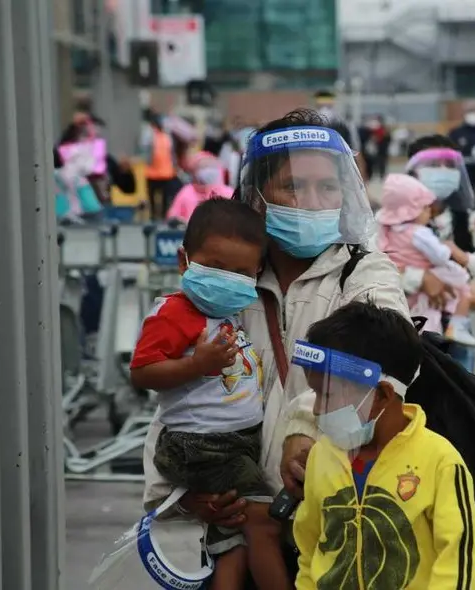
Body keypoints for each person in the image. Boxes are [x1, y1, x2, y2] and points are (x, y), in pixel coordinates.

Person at [140, 108, 410, 587]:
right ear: (258, 196)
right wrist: (182, 494)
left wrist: (305, 427)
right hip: (238, 530)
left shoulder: (365, 275)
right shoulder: (222, 287)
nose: (311, 201)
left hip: (337, 527)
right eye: (292, 186)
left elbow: (379, 365)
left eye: (327, 187)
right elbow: (175, 401)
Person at [130, 199, 290, 590]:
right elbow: (142, 372)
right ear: (185, 261)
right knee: (262, 518)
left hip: (232, 442)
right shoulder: (173, 313)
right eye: (216, 267)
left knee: (230, 539)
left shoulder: (226, 314)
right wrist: (196, 365)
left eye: (240, 272)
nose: (228, 279)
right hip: (204, 447)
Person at [292, 301, 475, 590]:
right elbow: (309, 546)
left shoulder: (440, 462)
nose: (317, 409)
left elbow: (457, 559)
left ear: (381, 394)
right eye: (314, 393)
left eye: (327, 395)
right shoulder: (322, 455)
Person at [394, 134, 475, 372]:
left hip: (455, 338)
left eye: (449, 166)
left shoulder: (468, 222)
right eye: (434, 165)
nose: (443, 172)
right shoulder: (391, 221)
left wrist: (465, 258)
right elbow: (364, 270)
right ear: (412, 172)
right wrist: (419, 279)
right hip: (400, 334)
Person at [377, 173, 475, 346]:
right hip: (423, 276)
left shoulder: (387, 230)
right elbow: (439, 256)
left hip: (404, 288)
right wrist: (449, 250)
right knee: (462, 287)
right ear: (412, 210)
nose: (429, 211)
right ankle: (457, 326)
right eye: (425, 207)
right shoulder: (419, 232)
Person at [166, 151, 235, 224]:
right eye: (204, 166)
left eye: (211, 166)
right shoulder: (186, 192)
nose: (209, 170)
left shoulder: (227, 192)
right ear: (195, 171)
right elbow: (173, 217)